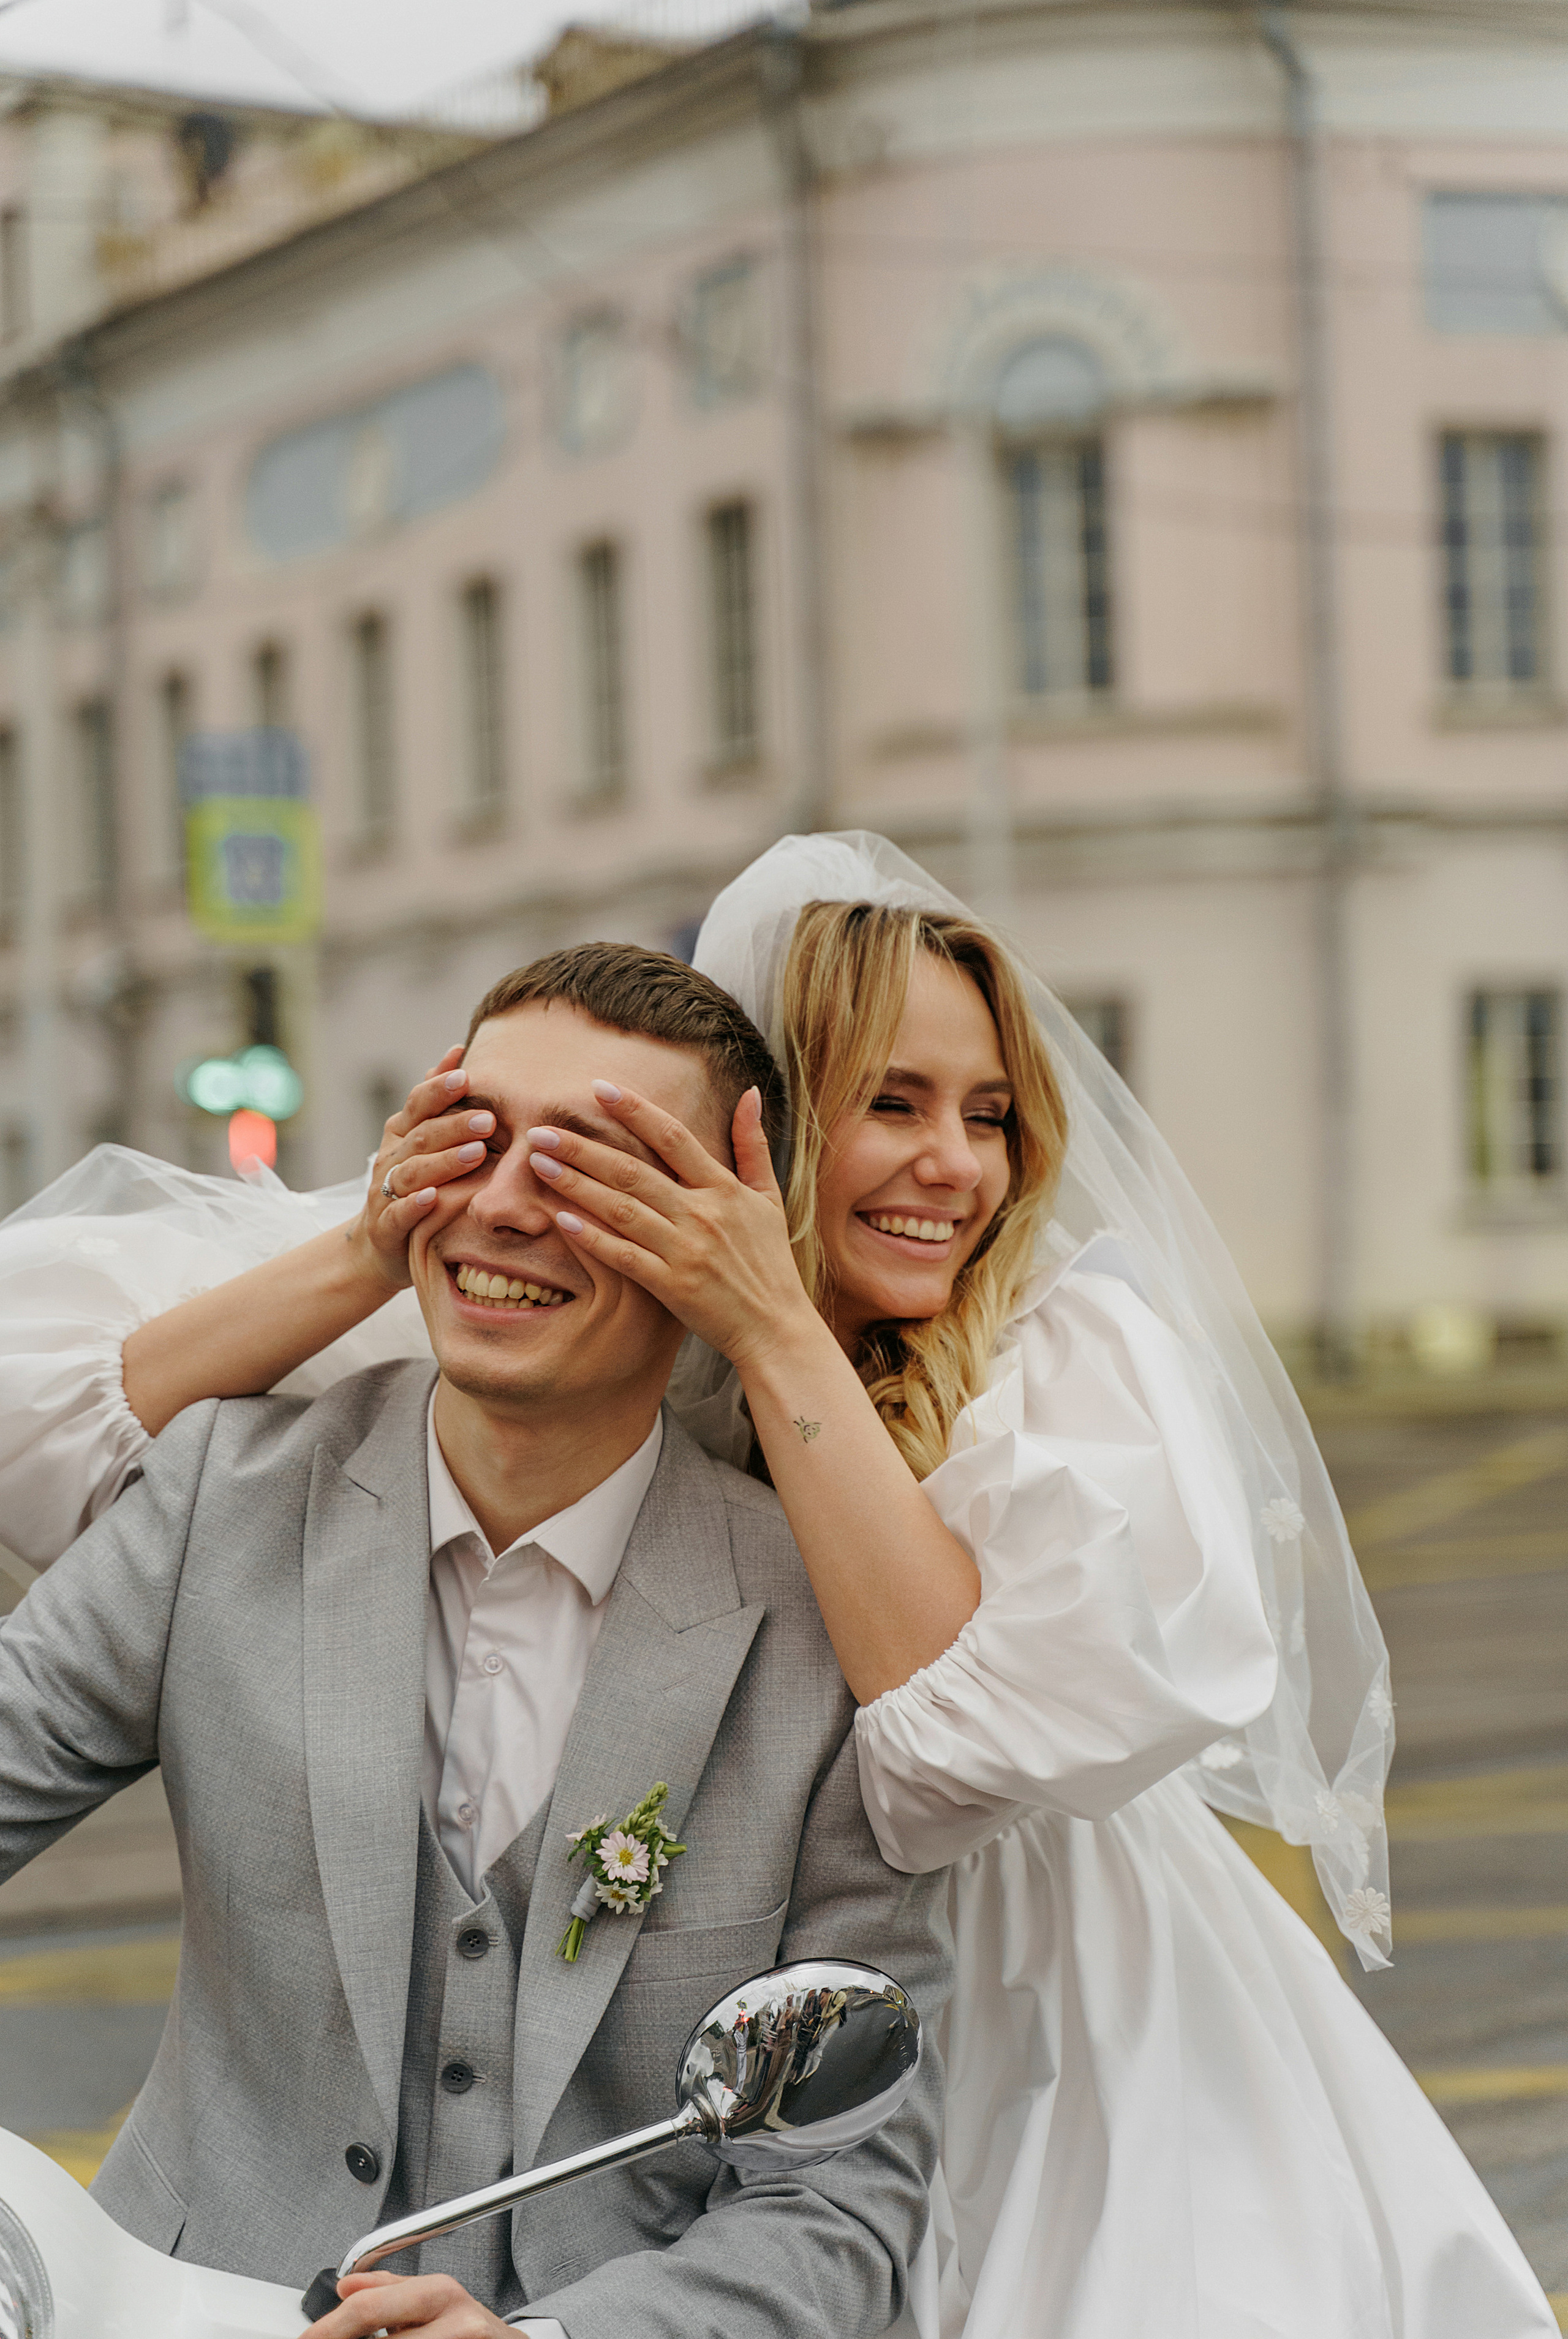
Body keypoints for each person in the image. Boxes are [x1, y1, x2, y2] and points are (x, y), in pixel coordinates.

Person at [0, 830, 1554, 2338]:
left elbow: (945, 1758)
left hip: (1036, 2002)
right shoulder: (309, 1441)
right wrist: (368, 1246)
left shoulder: (1004, 1420)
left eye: (991, 1114)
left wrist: (759, 1316)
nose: (951, 1164)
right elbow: (69, 1423)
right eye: (894, 1103)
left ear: (731, 1182)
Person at [0, 941, 952, 2339]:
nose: (504, 1207)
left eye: (589, 1167)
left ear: (716, 1234)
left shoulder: (831, 1628)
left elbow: (842, 2193)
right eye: (473, 1140)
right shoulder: (223, 1497)